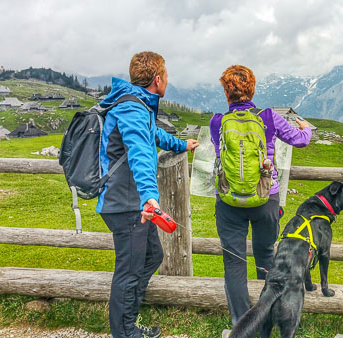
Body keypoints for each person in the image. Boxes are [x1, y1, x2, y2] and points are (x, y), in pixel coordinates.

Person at [96, 51, 199, 338]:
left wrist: (181, 144)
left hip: (128, 202)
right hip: (127, 205)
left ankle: (127, 322)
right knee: (129, 271)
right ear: (158, 79)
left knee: (152, 256)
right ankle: (125, 331)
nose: (168, 80)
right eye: (166, 76)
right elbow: (141, 152)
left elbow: (152, 136)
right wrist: (150, 197)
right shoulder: (133, 109)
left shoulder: (138, 105)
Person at [210, 65, 312, 328]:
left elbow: (220, 154)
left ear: (226, 92)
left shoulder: (217, 121)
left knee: (234, 262)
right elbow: (301, 140)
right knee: (266, 254)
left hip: (229, 200)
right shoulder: (269, 117)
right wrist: (306, 127)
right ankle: (265, 320)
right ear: (252, 89)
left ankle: (241, 326)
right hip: (267, 197)